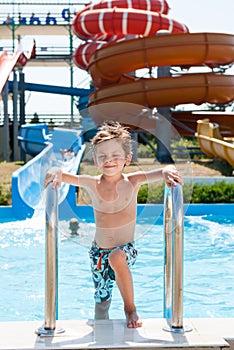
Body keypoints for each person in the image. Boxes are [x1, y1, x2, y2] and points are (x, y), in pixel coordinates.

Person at [44, 121, 183, 328]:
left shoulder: (133, 181)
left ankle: (130, 309)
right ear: (96, 159)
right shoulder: (92, 183)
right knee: (101, 302)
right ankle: (102, 332)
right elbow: (63, 175)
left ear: (127, 159)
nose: (109, 160)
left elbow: (163, 171)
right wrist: (55, 171)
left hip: (125, 250)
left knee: (116, 257)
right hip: (97, 253)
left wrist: (168, 171)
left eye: (115, 155)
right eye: (102, 156)